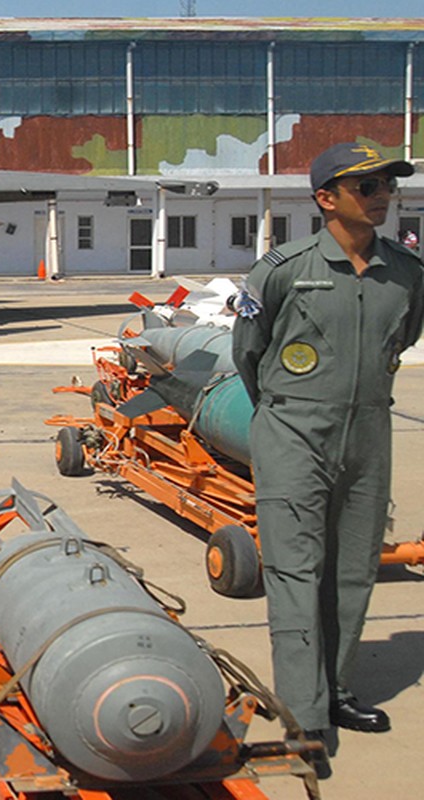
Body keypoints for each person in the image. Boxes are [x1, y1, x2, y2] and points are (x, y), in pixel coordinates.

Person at [232, 142, 423, 776]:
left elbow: (403, 337)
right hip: (293, 431)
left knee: (354, 571)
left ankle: (336, 691)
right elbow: (249, 355)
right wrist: (288, 415)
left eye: (385, 184)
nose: (381, 194)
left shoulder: (407, 271)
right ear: (325, 198)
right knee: (295, 572)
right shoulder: (282, 270)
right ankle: (302, 715)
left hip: (368, 431)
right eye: (364, 184)